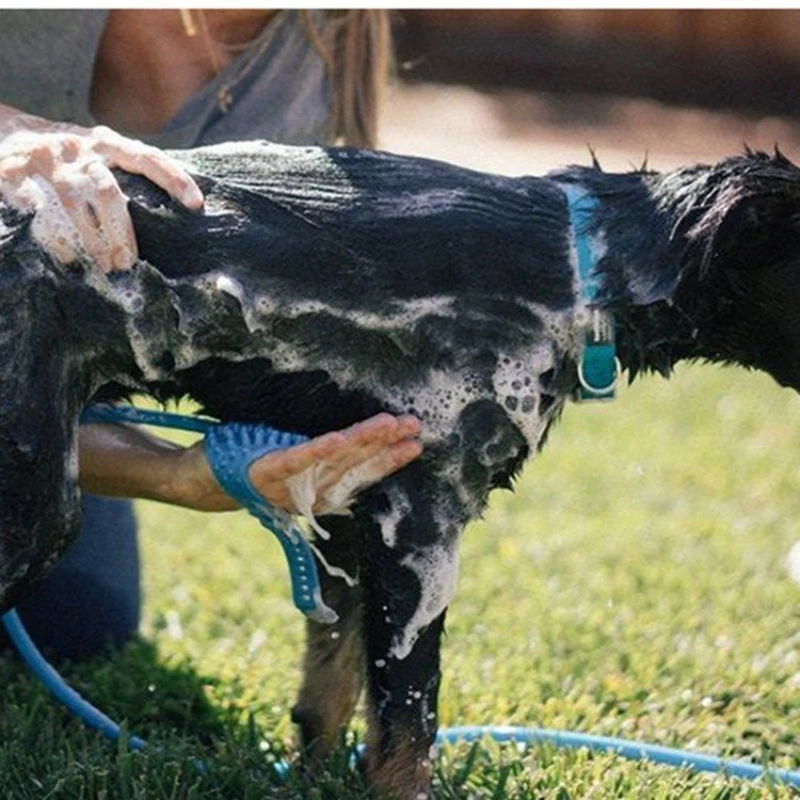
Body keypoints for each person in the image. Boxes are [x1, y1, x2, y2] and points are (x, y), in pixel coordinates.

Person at [0, 9, 421, 661]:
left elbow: (57, 398)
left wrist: (177, 473)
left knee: (80, 624)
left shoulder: (308, 79)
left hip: (27, 382)